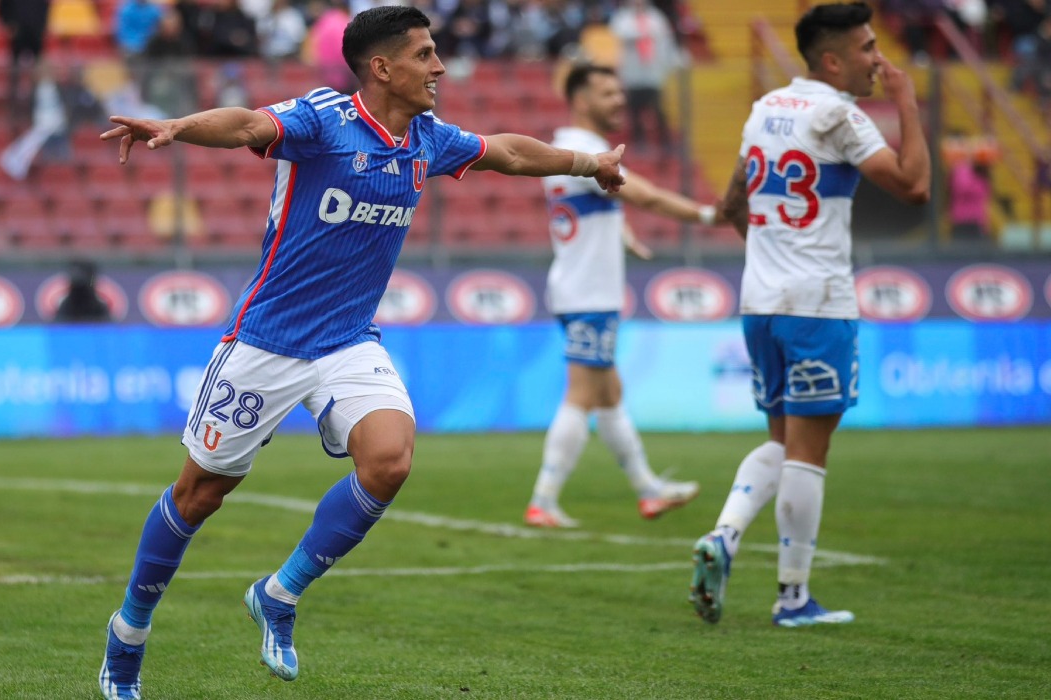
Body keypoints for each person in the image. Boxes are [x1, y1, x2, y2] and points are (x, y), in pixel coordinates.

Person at [95, 6, 625, 698]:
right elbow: (251, 124)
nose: (439, 67)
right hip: (267, 340)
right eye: (425, 54)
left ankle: (281, 594)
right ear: (382, 67)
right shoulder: (323, 121)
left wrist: (591, 163)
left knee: (390, 460)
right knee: (200, 494)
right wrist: (179, 127)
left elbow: (511, 152)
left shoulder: (428, 140)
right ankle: (127, 636)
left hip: (347, 339)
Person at [690, 1, 929, 628]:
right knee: (808, 454)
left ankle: (723, 535)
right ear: (832, 59)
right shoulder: (838, 115)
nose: (879, 61)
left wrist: (769, 253)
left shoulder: (765, 108)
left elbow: (730, 202)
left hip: (760, 302)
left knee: (780, 441)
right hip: (819, 303)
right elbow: (914, 185)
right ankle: (793, 599)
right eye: (868, 49)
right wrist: (908, 102)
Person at [524, 63, 718, 529]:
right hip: (590, 293)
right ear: (581, 99)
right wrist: (711, 215)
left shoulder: (564, 145)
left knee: (610, 395)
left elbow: (594, 206)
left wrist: (623, 235)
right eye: (607, 93)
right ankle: (544, 499)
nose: (619, 101)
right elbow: (645, 195)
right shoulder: (588, 151)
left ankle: (648, 490)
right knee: (582, 395)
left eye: (619, 92)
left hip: (579, 288)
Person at [609, 0, 679, 154]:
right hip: (632, 72)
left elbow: (666, 42)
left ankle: (665, 141)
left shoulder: (656, 17)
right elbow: (617, 35)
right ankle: (638, 141)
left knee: (658, 108)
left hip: (653, 72)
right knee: (634, 110)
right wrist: (641, 33)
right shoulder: (622, 18)